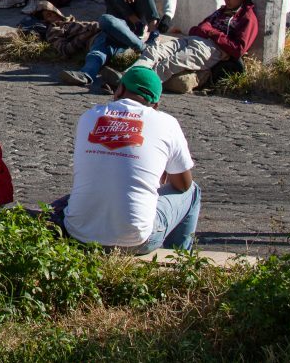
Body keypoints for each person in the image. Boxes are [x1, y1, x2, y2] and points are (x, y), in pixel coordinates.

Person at [50, 66, 201, 254]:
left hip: (78, 233)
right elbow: (183, 185)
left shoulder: (89, 116)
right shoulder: (166, 122)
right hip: (135, 242)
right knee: (193, 191)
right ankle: (180, 259)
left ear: (119, 89)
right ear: (155, 105)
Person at [113, 0, 259, 93]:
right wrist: (204, 30)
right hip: (192, 40)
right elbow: (196, 29)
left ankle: (134, 86)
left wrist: (212, 33)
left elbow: (238, 49)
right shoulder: (221, 11)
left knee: (170, 63)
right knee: (154, 51)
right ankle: (124, 77)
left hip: (211, 49)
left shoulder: (246, 18)